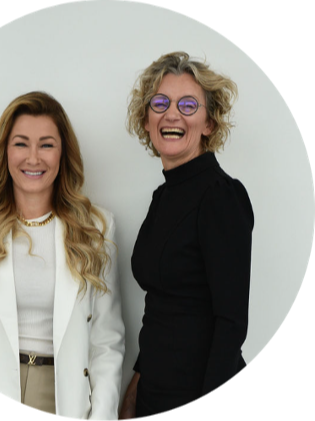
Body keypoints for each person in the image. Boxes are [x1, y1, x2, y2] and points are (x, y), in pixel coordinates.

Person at [0, 91, 125, 421]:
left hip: (61, 395)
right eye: (21, 144)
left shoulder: (96, 229)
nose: (33, 158)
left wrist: (102, 416)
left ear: (63, 153)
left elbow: (107, 341)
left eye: (46, 145)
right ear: (5, 151)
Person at [119, 52, 254, 420]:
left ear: (209, 123)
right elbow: (162, 308)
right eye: (160, 103)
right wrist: (135, 389)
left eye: (188, 105)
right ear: (146, 120)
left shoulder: (221, 196)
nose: (172, 114)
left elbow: (231, 324)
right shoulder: (164, 196)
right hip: (153, 396)